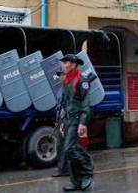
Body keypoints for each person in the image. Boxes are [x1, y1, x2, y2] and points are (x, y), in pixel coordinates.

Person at [59, 54, 93, 191]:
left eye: (65, 63)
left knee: (69, 148)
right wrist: (62, 120)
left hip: (77, 119)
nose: (63, 65)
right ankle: (75, 181)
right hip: (67, 119)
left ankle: (87, 170)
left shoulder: (81, 80)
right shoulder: (66, 81)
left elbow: (86, 103)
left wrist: (83, 122)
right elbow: (66, 102)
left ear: (73, 65)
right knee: (69, 150)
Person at [52, 70, 70, 178]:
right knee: (60, 146)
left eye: (63, 75)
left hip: (68, 120)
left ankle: (80, 168)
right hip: (61, 120)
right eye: (60, 75)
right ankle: (62, 169)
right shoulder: (60, 88)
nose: (61, 77)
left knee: (70, 146)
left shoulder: (71, 87)